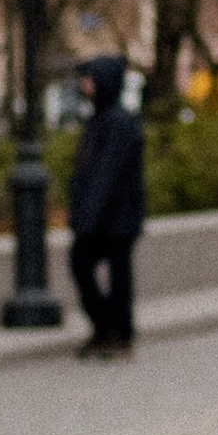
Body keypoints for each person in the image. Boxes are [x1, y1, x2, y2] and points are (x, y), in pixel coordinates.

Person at [67, 55, 146, 357]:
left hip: (116, 217)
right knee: (85, 265)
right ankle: (108, 328)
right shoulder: (99, 119)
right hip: (102, 217)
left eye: (90, 79)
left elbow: (106, 174)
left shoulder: (120, 123)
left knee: (116, 275)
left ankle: (117, 332)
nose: (84, 85)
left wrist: (87, 214)